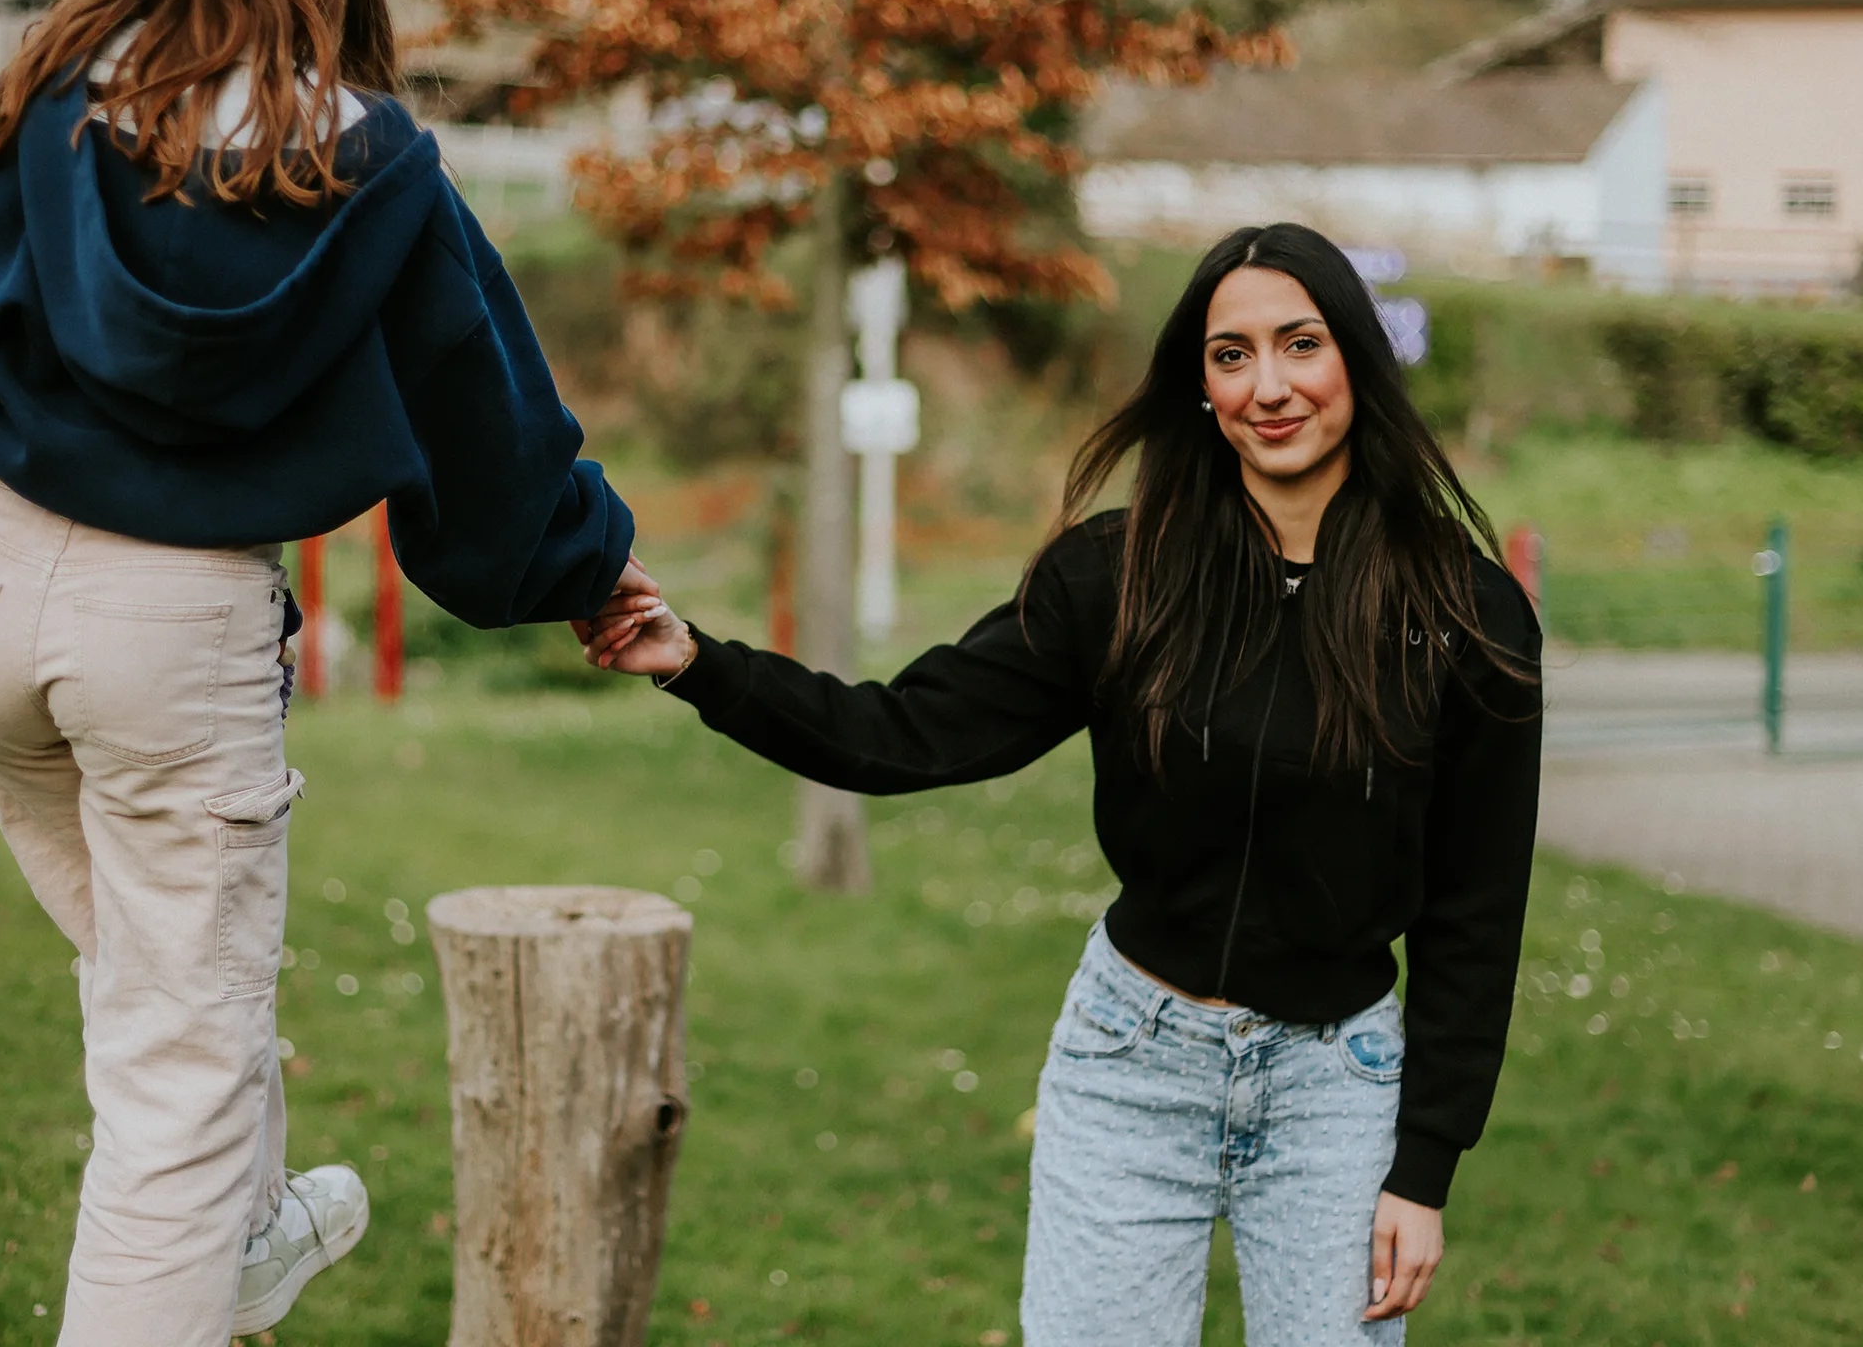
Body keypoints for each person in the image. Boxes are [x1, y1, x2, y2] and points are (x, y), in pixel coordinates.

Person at [0, 0, 642, 1340]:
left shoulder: (43, 100)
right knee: (178, 1093)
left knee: (169, 1009)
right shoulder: (368, 155)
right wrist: (585, 568)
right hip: (176, 631)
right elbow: (489, 423)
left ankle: (258, 1223)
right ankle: (222, 1230)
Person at [580, 223, 1542, 1345]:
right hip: (1133, 1066)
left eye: (1300, 345)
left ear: (1356, 366)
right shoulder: (1118, 577)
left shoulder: (1465, 617)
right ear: (1198, 385)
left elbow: (1476, 916)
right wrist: (697, 662)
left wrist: (1422, 1168)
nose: (1268, 387)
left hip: (1337, 1086)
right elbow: (902, 733)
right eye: (1230, 355)